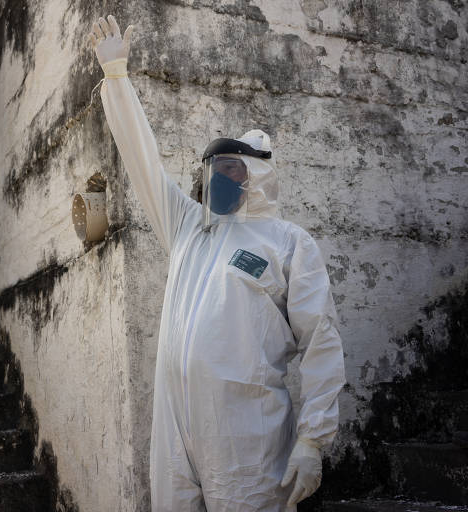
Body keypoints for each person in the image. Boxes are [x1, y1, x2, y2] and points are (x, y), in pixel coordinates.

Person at [89, 15, 346, 512]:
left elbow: (321, 341)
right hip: (174, 428)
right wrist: (117, 78)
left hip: (247, 435)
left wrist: (313, 440)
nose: (219, 179)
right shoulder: (189, 226)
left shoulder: (288, 243)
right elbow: (143, 162)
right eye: (214, 170)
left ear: (257, 175)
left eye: (231, 169)